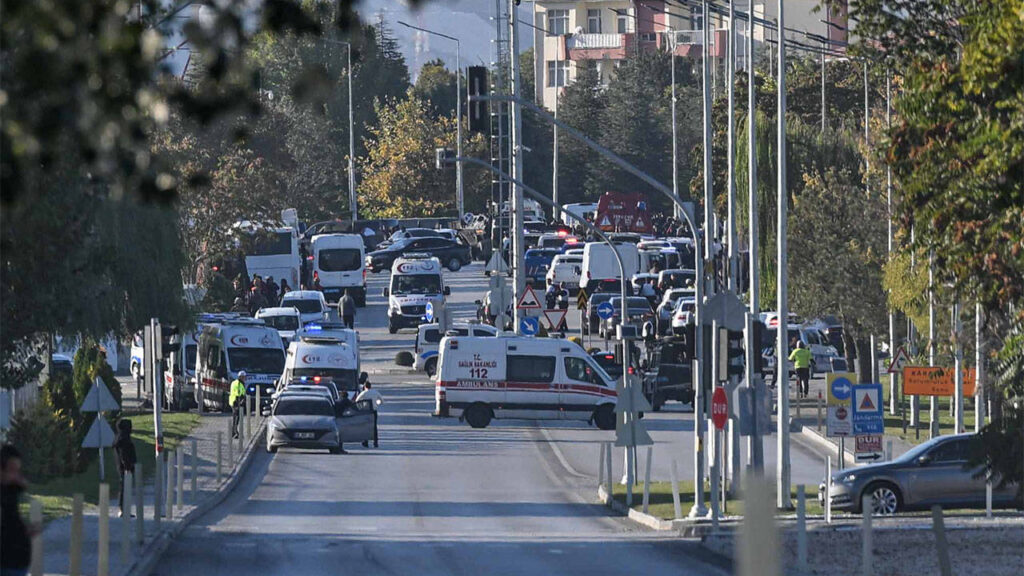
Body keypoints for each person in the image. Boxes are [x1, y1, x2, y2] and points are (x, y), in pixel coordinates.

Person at [2, 444, 36, 576]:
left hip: (18, 562)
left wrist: (24, 530)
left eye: (18, 470)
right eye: (12, 470)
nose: (16, 475)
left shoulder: (10, 488)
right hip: (7, 563)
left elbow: (22, 485)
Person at [113, 419, 137, 518]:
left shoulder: (120, 438)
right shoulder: (123, 440)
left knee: (125, 487)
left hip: (124, 467)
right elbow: (124, 455)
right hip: (125, 468)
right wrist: (127, 466)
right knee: (124, 488)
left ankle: (124, 509)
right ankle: (123, 509)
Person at [355, 382, 383, 448]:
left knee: (366, 426)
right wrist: (376, 404)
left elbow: (356, 401)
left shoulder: (364, 393)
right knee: (374, 427)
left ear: (365, 387)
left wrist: (362, 405)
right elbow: (382, 401)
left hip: (366, 411)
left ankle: (365, 442)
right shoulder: (375, 392)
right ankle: (375, 442)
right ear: (370, 386)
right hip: (374, 411)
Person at [229, 371, 247, 439]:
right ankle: (235, 432)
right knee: (236, 418)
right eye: (244, 377)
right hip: (236, 402)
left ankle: (234, 433)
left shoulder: (236, 382)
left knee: (236, 418)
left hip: (234, 401)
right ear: (241, 377)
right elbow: (238, 394)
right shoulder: (238, 383)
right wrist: (241, 401)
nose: (245, 378)